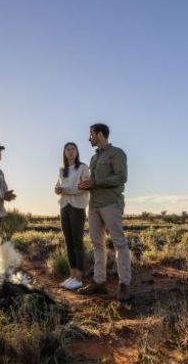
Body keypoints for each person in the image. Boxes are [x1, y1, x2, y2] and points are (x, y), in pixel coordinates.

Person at [77, 123, 131, 302]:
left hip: (111, 204)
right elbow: (94, 181)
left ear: (100, 134)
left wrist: (97, 183)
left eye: (91, 134)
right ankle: (99, 283)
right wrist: (86, 184)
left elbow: (121, 177)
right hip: (94, 205)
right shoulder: (94, 158)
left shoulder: (117, 153)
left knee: (119, 243)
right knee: (97, 244)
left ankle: (124, 285)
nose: (89, 138)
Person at [54, 142, 90, 290]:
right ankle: (72, 275)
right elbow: (58, 186)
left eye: (73, 149)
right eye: (68, 149)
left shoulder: (83, 167)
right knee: (68, 241)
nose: (70, 151)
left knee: (77, 242)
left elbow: (84, 187)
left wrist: (65, 190)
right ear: (64, 152)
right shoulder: (62, 170)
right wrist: (57, 189)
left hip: (77, 207)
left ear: (77, 151)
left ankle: (79, 278)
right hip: (64, 207)